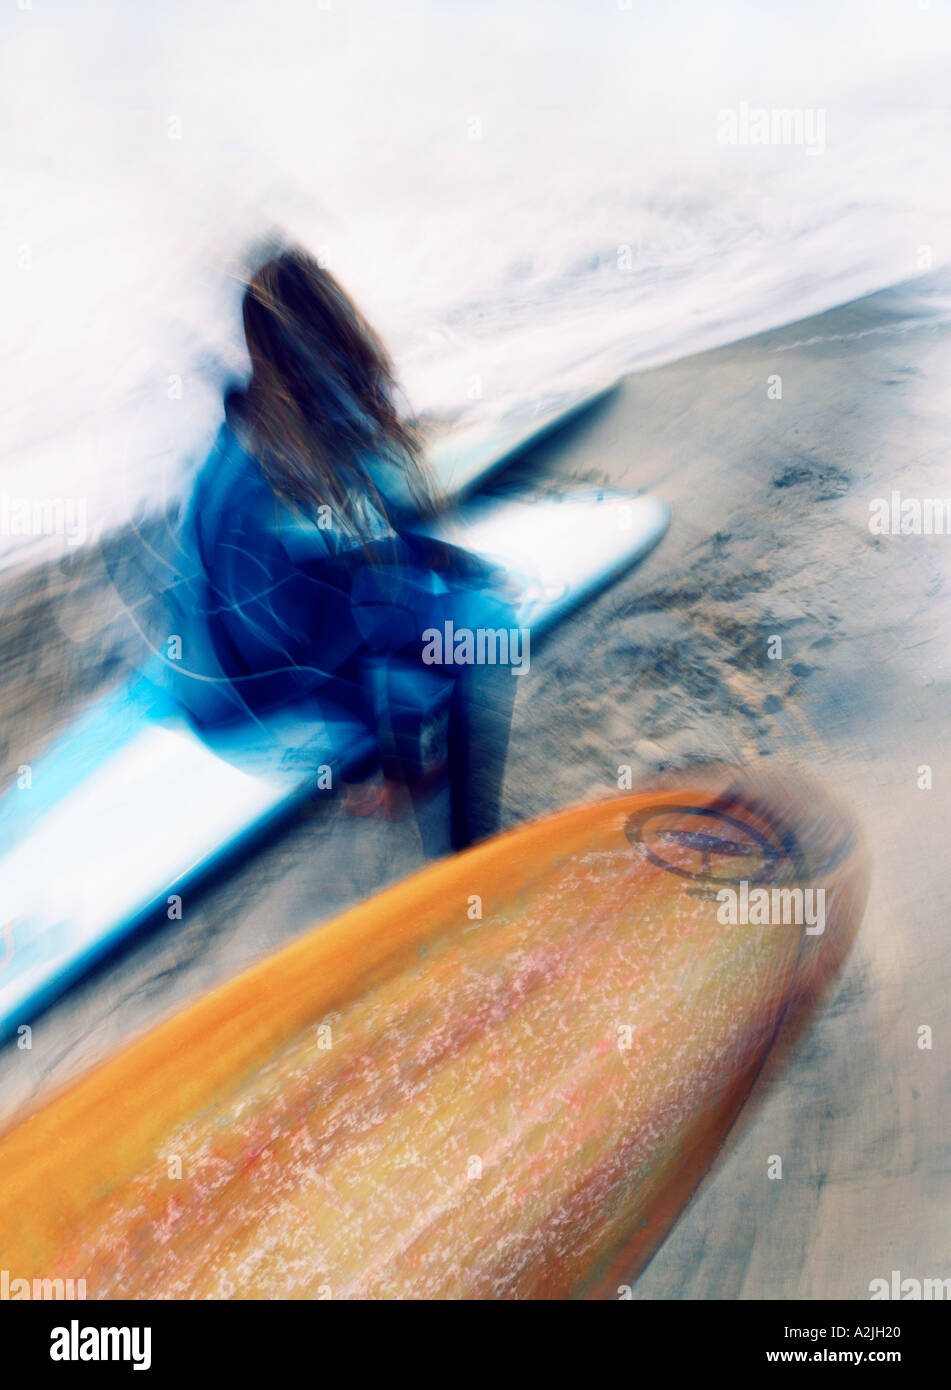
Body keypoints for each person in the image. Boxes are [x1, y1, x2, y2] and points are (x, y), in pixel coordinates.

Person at [163, 244, 516, 852]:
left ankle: (446, 819)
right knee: (485, 631)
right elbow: (283, 643)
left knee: (438, 599)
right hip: (245, 694)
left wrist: (434, 558)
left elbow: (361, 549)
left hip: (254, 651)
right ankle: (468, 856)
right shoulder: (260, 481)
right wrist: (380, 760)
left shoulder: (266, 423)